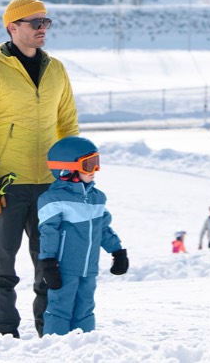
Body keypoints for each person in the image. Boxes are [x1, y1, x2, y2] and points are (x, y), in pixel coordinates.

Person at [0, 0, 79, 338]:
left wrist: (72, 175)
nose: (43, 28)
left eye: (46, 21)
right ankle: (1, 330)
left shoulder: (56, 69)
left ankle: (53, 329)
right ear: (13, 28)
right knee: (1, 264)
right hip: (6, 184)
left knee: (50, 262)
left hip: (49, 184)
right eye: (35, 23)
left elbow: (68, 124)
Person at [37, 136, 127, 336]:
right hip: (64, 268)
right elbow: (48, 233)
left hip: (90, 268)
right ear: (67, 169)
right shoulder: (53, 199)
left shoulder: (97, 198)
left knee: (85, 310)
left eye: (96, 163)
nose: (95, 170)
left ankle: (83, 348)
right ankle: (56, 350)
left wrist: (118, 251)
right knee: (60, 309)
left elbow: (103, 229)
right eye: (89, 165)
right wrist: (49, 263)